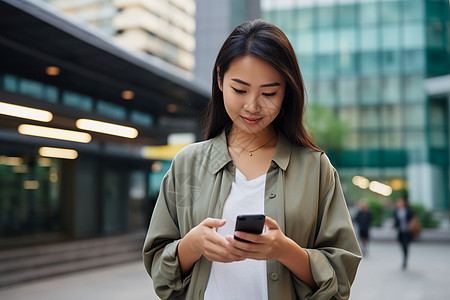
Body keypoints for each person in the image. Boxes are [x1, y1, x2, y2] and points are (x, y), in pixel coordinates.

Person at [143, 19, 361, 300]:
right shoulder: (188, 162)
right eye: (240, 90)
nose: (252, 106)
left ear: (287, 90)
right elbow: (159, 269)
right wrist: (191, 245)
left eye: (269, 93)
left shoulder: (316, 168)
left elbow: (340, 277)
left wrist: (284, 250)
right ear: (220, 79)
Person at [393, 196, 414, 270]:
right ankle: (404, 256)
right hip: (400, 231)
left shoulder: (408, 210)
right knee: (402, 245)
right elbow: (396, 220)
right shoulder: (397, 211)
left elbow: (412, 218)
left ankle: (405, 260)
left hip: (407, 231)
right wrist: (394, 226)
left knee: (405, 245)